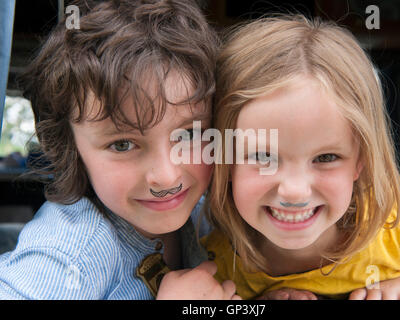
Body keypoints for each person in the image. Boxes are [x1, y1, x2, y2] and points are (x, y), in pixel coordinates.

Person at [0, 0, 240, 300]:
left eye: (189, 135)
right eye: (123, 144)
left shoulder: (204, 213)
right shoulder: (70, 251)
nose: (166, 177)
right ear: (71, 148)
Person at [201, 14, 400, 300]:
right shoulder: (215, 266)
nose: (294, 191)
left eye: (326, 157)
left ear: (361, 160)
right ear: (225, 161)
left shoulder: (391, 229)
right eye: (262, 157)